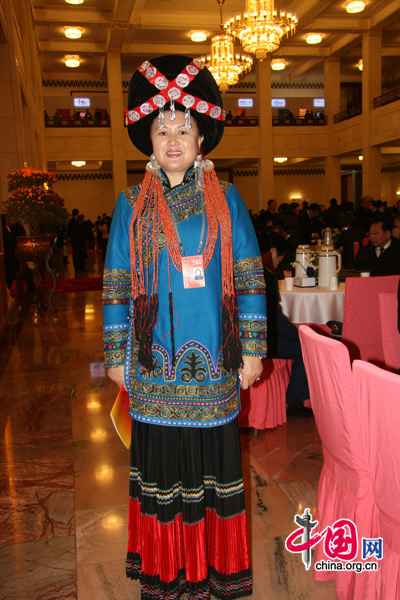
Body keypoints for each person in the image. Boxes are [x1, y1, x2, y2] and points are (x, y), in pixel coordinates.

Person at [103, 54, 267, 599]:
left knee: (210, 473)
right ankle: (166, 571)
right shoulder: (129, 204)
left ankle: (216, 571)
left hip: (214, 365)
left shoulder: (228, 199)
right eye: (162, 129)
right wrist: (115, 353)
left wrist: (252, 349)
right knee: (162, 475)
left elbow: (247, 272)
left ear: (202, 139)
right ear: (149, 140)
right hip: (153, 371)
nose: (173, 139)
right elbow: (117, 284)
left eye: (184, 128)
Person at [259, 230, 311, 417]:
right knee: (306, 349)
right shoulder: (265, 276)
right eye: (280, 258)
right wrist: (298, 332)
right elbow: (275, 321)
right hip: (263, 340)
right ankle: (293, 401)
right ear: (273, 252)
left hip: (245, 336)